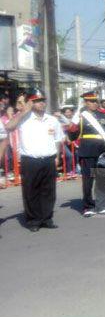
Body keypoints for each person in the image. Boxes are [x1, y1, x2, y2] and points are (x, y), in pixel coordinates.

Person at [4, 89, 64, 232]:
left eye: (42, 100)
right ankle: (33, 220)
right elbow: (9, 126)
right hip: (30, 160)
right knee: (31, 191)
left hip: (48, 159)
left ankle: (46, 218)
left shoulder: (52, 120)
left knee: (48, 191)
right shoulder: (24, 118)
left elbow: (58, 139)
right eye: (37, 101)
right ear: (31, 103)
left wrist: (57, 156)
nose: (41, 103)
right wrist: (25, 111)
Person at [67, 92, 105, 216]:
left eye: (95, 101)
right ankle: (88, 206)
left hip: (103, 151)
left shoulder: (104, 115)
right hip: (87, 151)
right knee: (88, 180)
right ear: (86, 102)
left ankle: (102, 205)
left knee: (103, 178)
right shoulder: (81, 117)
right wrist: (74, 124)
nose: (94, 103)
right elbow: (72, 136)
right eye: (91, 101)